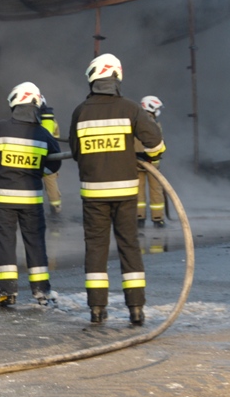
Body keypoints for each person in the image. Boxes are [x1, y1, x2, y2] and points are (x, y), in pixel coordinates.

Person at [68, 54, 165, 326]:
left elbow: (75, 152)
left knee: (95, 248)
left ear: (93, 79)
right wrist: (149, 159)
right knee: (129, 246)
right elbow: (155, 142)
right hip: (125, 192)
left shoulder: (81, 111)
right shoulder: (131, 108)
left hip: (93, 193)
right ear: (116, 78)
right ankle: (136, 309)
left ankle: (97, 309)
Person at [0, 82, 62, 307]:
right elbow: (54, 165)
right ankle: (42, 291)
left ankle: (7, 292)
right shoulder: (43, 134)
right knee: (35, 243)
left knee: (4, 243)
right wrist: (36, 170)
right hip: (31, 199)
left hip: (3, 199)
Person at [136, 96, 166, 229]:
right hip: (152, 161)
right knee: (156, 191)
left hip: (136, 161)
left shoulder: (135, 119)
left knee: (138, 191)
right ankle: (158, 219)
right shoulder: (152, 123)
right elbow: (157, 142)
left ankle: (139, 219)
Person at [39, 94, 64, 216]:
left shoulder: (30, 120)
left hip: (33, 154)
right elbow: (56, 138)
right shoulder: (52, 121)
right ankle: (55, 206)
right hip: (50, 158)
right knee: (50, 181)